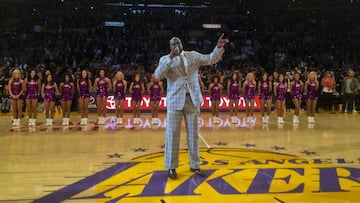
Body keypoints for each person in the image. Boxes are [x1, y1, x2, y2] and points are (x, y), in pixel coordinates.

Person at [154, 33, 227, 179]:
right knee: (172, 135)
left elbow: (210, 59)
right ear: (170, 47)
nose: (176, 46)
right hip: (175, 101)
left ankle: (195, 165)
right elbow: (158, 75)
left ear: (182, 44)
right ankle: (171, 167)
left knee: (194, 135)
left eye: (178, 43)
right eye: (173, 44)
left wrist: (218, 48)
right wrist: (170, 57)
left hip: (192, 99)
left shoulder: (192, 56)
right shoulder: (165, 59)